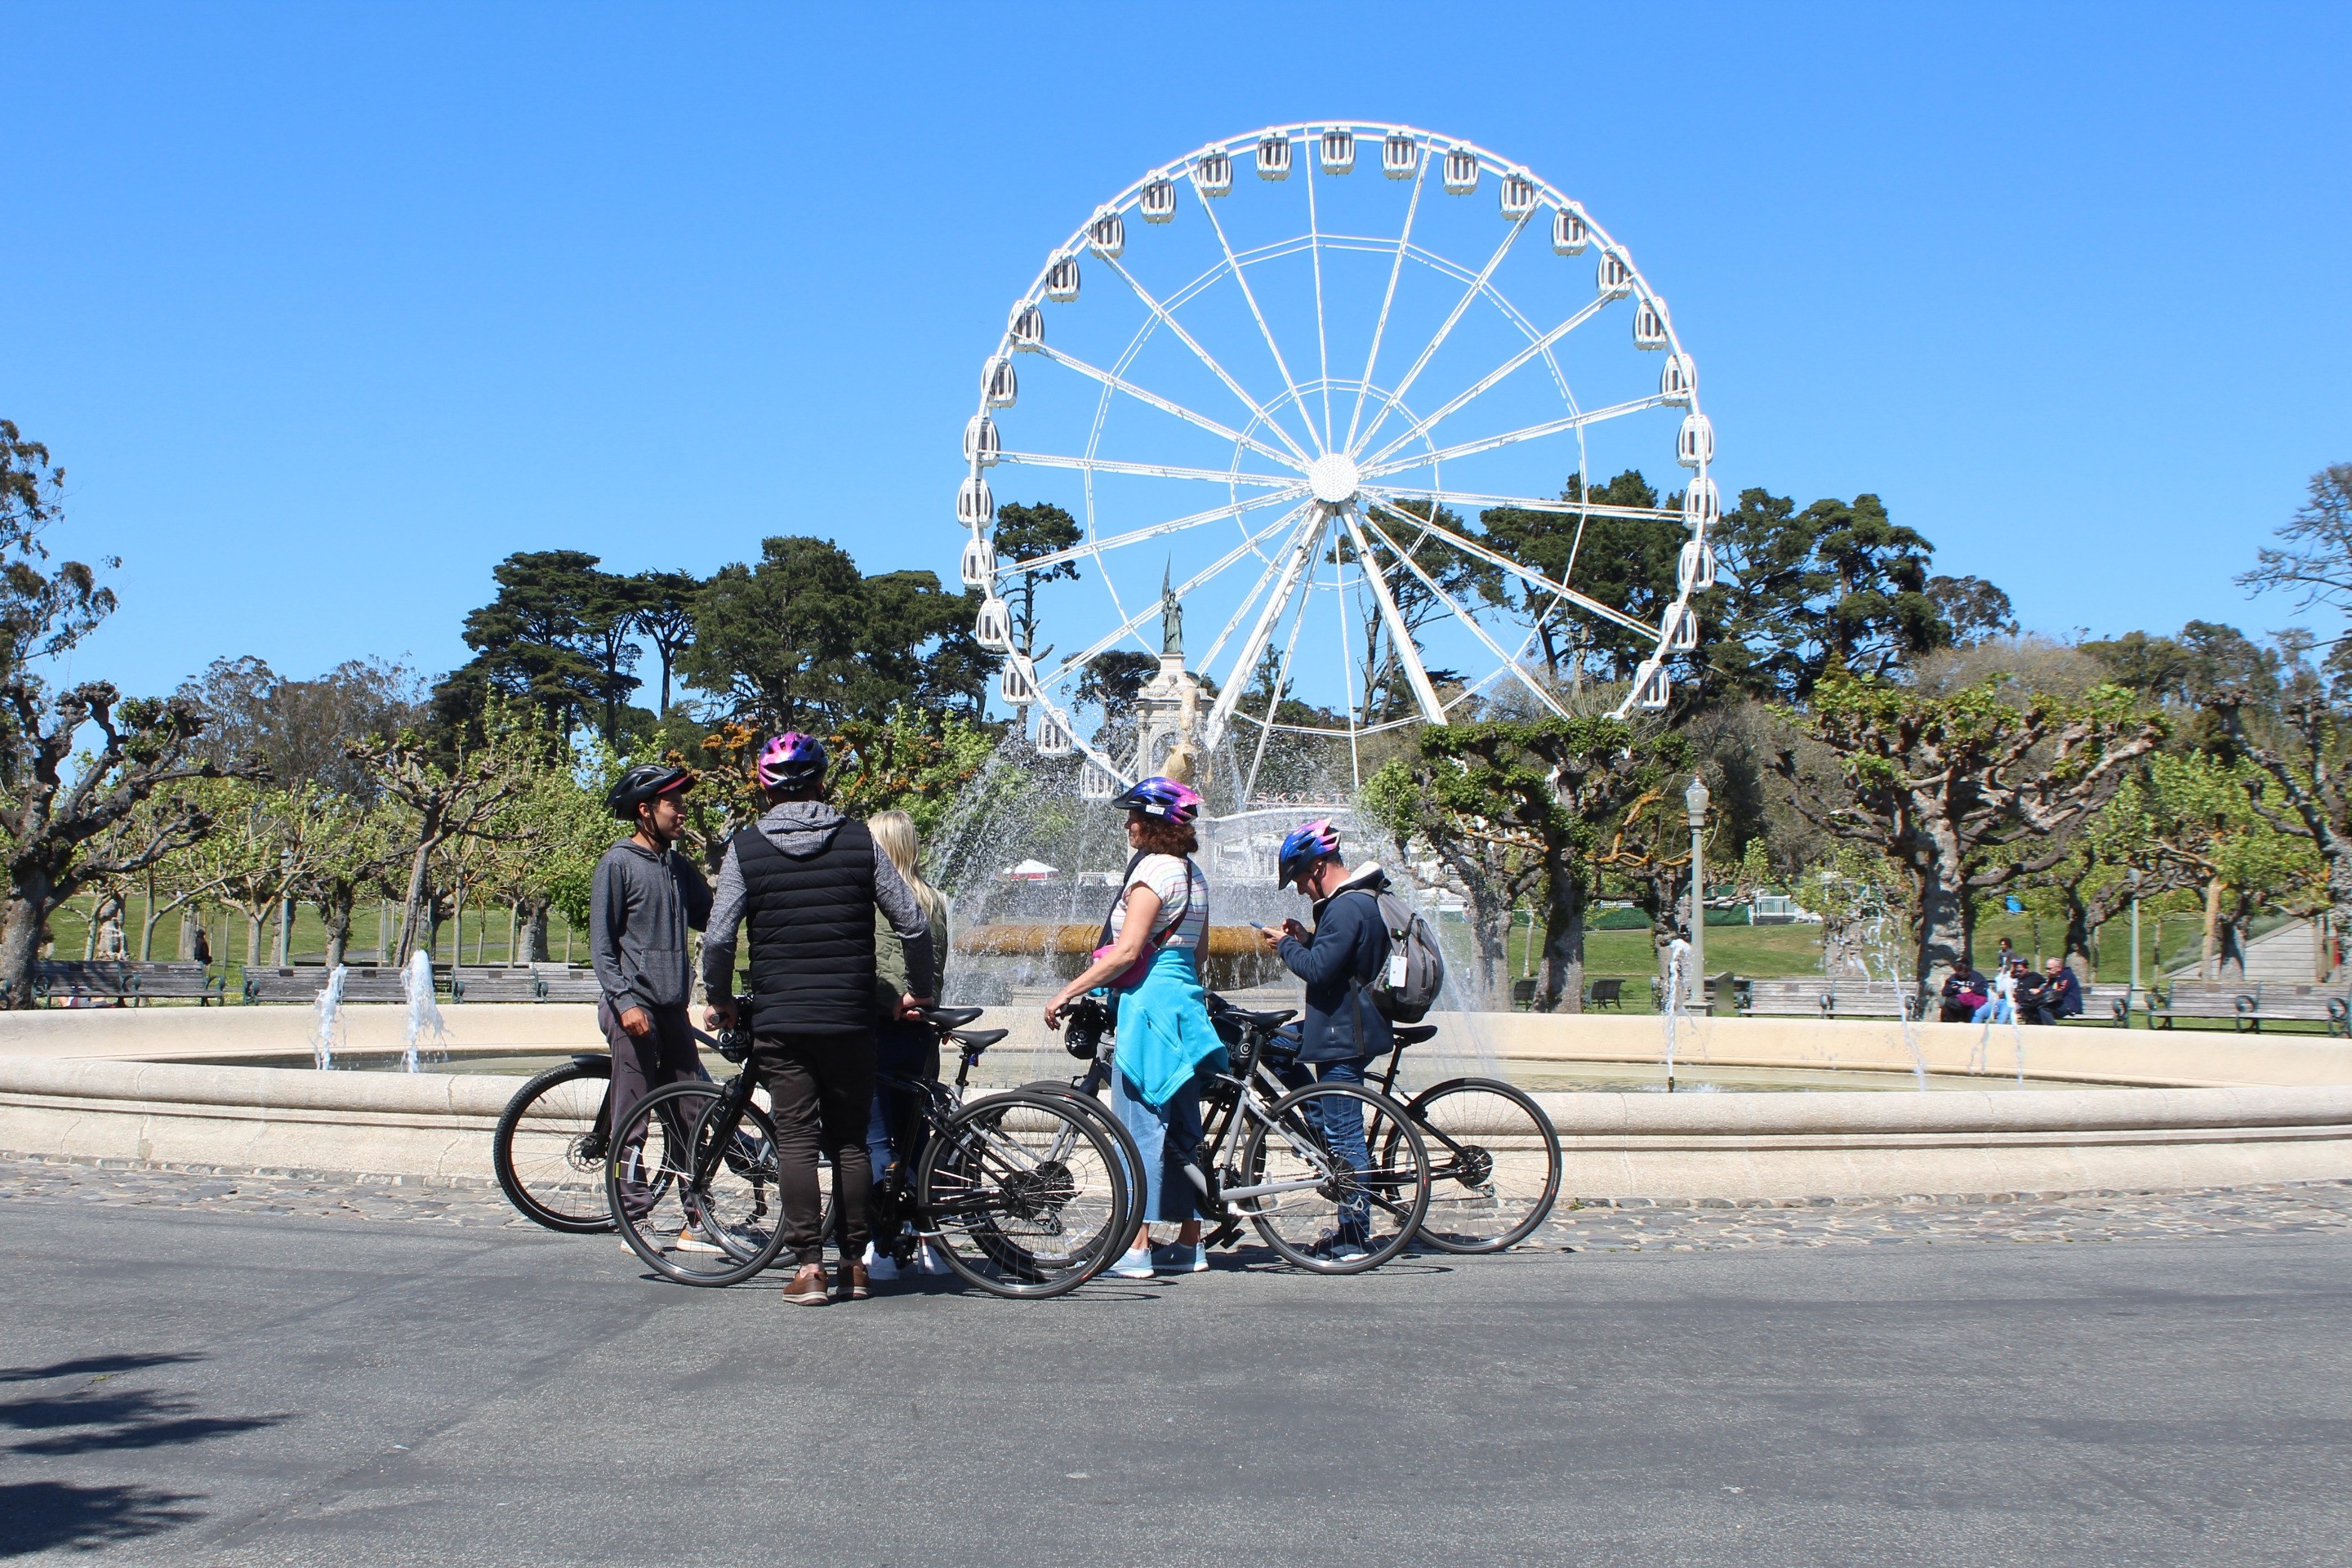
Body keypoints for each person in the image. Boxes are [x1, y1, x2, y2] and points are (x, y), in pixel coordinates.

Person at [702, 733, 935, 1307]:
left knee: (800, 1141)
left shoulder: (746, 848)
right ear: (823, 781)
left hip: (782, 1017)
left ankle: (811, 1268)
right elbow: (913, 922)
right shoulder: (858, 841)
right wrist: (919, 992)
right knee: (852, 1142)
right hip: (851, 1018)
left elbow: (719, 936)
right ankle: (856, 1265)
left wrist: (720, 995)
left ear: (764, 790)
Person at [1043, 776, 1223, 1281]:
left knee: (1137, 1124)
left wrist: (1068, 991)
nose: (1127, 825)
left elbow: (1125, 951)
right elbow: (1201, 953)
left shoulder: (1151, 874)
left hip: (1147, 1006)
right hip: (1184, 1003)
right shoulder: (1195, 875)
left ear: (1153, 823)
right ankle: (1191, 1243)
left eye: (1134, 817)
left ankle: (1137, 1246)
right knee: (1185, 1128)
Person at [1257, 819, 1393, 1263]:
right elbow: (1337, 959)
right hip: (1339, 1027)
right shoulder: (1353, 903)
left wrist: (1284, 946)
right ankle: (1317, 1124)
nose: (1298, 889)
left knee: (1346, 1134)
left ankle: (1355, 1239)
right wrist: (1307, 938)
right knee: (1274, 1044)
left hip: (1343, 1035)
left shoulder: (1347, 906)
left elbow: (1317, 971)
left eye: (1298, 878)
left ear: (1317, 867)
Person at [592, 763, 714, 1246]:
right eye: (674, 804)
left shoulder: (677, 866)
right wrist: (624, 1001)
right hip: (633, 1007)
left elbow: (710, 918)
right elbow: (601, 945)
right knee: (634, 1116)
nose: (682, 812)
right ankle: (633, 1215)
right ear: (645, 811)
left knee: (692, 1112)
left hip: (671, 1007)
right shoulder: (617, 864)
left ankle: (695, 1218)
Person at [862, 808, 950, 1281]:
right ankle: (930, 1243)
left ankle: (882, 1248)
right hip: (923, 1034)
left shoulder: (870, 901)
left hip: (881, 1029)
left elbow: (876, 970)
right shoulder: (935, 900)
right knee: (917, 1144)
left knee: (876, 1141)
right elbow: (937, 969)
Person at [2034, 957, 2084, 1024]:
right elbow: (2046, 991)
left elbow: (2058, 993)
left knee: (2043, 1009)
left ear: (2059, 968)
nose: (2047, 971)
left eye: (2049, 969)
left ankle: (2052, 1030)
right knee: (2033, 1009)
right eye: (2046, 969)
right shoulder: (2053, 978)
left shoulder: (2067, 975)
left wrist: (2041, 994)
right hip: (2058, 1004)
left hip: (2069, 1005)